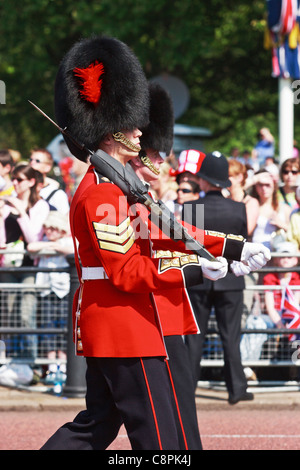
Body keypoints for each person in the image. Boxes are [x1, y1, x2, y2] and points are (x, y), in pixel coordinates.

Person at [40, 35, 270, 451]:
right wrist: (197, 271)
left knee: (96, 427)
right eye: (132, 125)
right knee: (163, 444)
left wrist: (231, 248)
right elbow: (127, 271)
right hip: (124, 327)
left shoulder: (119, 188)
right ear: (111, 131)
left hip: (129, 323)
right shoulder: (101, 194)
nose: (140, 130)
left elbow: (167, 232)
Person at [183, 151, 254, 405]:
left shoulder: (191, 208)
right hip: (231, 280)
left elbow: (189, 246)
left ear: (202, 180)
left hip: (200, 279)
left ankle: (187, 390)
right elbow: (241, 242)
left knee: (194, 338)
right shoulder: (238, 209)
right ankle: (236, 389)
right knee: (230, 337)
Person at [0, 163, 50, 358]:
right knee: (7, 315)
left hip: (30, 267)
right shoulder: (7, 204)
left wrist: (21, 213)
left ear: (30, 182)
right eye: (13, 179)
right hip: (8, 265)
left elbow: (34, 239)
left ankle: (30, 360)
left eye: (19, 180)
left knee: (25, 315)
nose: (15, 183)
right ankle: (8, 358)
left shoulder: (40, 205)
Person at [27, 211, 73, 367]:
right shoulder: (44, 242)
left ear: (61, 229)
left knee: (65, 326)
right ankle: (51, 363)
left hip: (65, 291)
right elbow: (31, 247)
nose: (50, 231)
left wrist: (58, 246)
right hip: (47, 292)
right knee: (48, 326)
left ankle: (63, 361)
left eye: (53, 228)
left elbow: (75, 251)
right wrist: (51, 245)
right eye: (47, 228)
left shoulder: (68, 242)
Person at [263, 241, 300, 330]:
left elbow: (294, 304)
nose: (285, 259)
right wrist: (281, 326)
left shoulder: (297, 278)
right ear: (276, 259)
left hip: (291, 315)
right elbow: (270, 308)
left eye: (289, 257)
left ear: (295, 260)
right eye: (282, 256)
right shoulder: (269, 277)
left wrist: (291, 323)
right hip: (273, 318)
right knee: (255, 322)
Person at [250, 169, 290, 250]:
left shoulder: (284, 208)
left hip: (278, 256)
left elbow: (295, 234)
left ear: (274, 185)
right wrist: (254, 179)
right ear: (255, 186)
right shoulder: (251, 206)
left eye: (267, 185)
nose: (264, 188)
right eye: (260, 185)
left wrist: (282, 225)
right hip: (256, 254)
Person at [29, 148, 69, 214]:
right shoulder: (24, 188)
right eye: (30, 160)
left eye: (37, 161)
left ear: (48, 167)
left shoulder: (58, 194)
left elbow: (65, 220)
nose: (32, 163)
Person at [228, 159, 260, 237]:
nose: (225, 179)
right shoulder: (224, 198)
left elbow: (247, 230)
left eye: (229, 176)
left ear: (239, 177)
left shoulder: (251, 202)